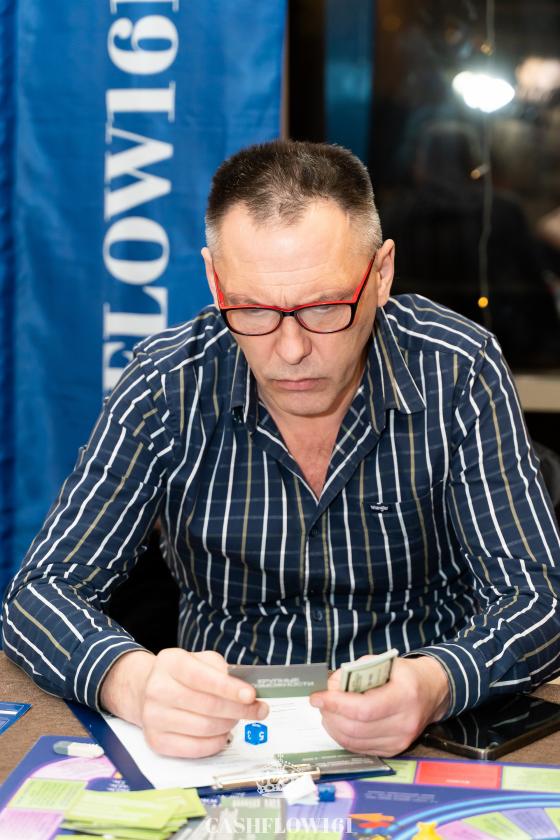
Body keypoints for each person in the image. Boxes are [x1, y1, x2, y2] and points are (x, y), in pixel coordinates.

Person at [3, 140, 560, 760]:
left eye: (325, 307)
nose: (291, 351)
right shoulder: (167, 385)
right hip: (224, 740)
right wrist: (132, 682)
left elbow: (541, 597)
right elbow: (38, 594)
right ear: (215, 281)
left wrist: (438, 683)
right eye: (251, 310)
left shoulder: (455, 369)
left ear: (381, 275)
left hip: (422, 735)